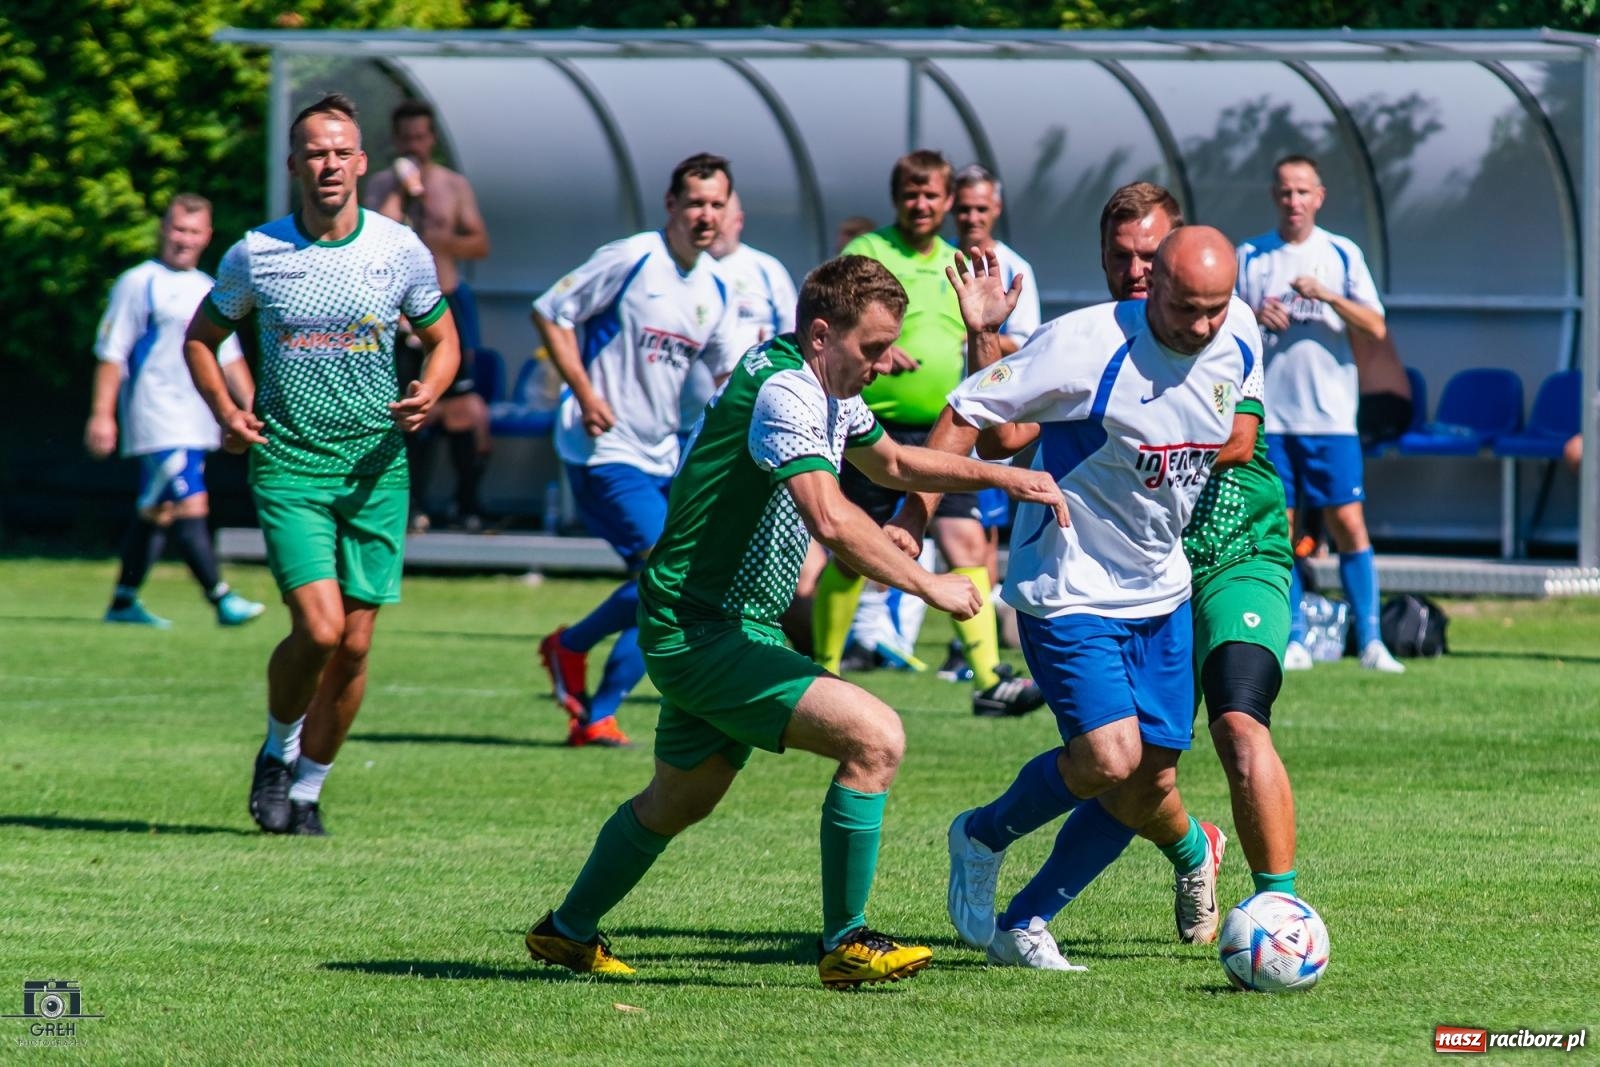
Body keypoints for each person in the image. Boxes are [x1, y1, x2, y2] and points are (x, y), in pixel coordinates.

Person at [522, 254, 1071, 987]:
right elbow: (834, 519)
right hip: (701, 626)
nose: (882, 365)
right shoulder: (786, 391)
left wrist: (1011, 476)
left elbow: (897, 467)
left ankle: (566, 930)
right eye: (872, 348)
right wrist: (928, 584)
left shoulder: (827, 387)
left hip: (726, 623)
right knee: (876, 737)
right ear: (822, 333)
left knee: (678, 799)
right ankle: (846, 942)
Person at [907, 228, 1259, 969]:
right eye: (1187, 308)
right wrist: (913, 518)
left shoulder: (1240, 333)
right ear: (1151, 286)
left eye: (1215, 309)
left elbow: (1235, 431)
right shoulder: (1085, 343)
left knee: (1147, 782)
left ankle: (1026, 921)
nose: (1201, 326)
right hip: (1067, 582)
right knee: (1108, 756)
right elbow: (974, 414)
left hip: (1162, 588)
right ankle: (981, 834)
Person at [184, 93, 461, 836]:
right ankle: (277, 751)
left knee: (357, 643)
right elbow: (201, 338)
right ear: (294, 164)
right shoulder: (258, 252)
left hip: (375, 467)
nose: (329, 163)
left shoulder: (398, 249)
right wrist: (228, 411)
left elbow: (444, 341)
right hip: (291, 466)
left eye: (341, 151)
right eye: (315, 151)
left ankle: (307, 790)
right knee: (320, 626)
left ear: (361, 163)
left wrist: (428, 393)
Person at [814, 149, 1043, 717]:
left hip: (949, 424)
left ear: (947, 203)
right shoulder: (868, 252)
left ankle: (989, 678)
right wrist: (878, 348)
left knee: (966, 542)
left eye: (932, 195)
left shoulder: (960, 261)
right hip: (872, 427)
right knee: (853, 552)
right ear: (896, 199)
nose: (921, 204)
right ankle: (823, 673)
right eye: (911, 194)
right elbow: (836, 316)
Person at [533, 154, 743, 749]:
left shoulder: (715, 289)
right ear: (672, 204)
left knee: (670, 588)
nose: (706, 215)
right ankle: (573, 651)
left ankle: (592, 707)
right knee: (669, 578)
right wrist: (584, 392)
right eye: (696, 202)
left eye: (716, 204)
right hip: (600, 448)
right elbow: (551, 312)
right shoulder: (632, 257)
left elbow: (730, 376)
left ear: (728, 212)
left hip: (662, 454)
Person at [1236, 155, 1404, 674]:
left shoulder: (1341, 254)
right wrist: (1253, 314)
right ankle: (1294, 636)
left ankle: (1372, 639)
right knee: (1279, 529)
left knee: (1348, 522)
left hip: (1330, 417)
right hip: (1271, 417)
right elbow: (1222, 328)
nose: (1294, 202)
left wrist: (1328, 296)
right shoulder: (1251, 255)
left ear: (1319, 197)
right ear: (1274, 196)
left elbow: (1375, 326)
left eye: (1303, 192)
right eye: (1285, 192)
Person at [87, 194, 265, 629]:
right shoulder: (138, 282)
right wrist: (102, 413)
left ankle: (124, 601)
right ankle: (221, 598)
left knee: (156, 510)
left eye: (194, 231)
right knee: (190, 504)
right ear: (164, 230)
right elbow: (113, 352)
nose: (184, 239)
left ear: (207, 236)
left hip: (196, 419)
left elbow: (229, 358)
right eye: (178, 229)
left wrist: (254, 409)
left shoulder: (209, 286)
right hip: (157, 416)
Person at [365, 99, 492, 532]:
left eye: (421, 137)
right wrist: (403, 193)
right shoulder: (381, 185)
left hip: (445, 300)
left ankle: (466, 506)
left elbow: (479, 243)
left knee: (461, 409)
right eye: (406, 138)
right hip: (395, 311)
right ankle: (410, 504)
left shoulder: (453, 186)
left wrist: (438, 242)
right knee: (404, 407)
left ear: (432, 139)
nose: (414, 146)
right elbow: (374, 237)